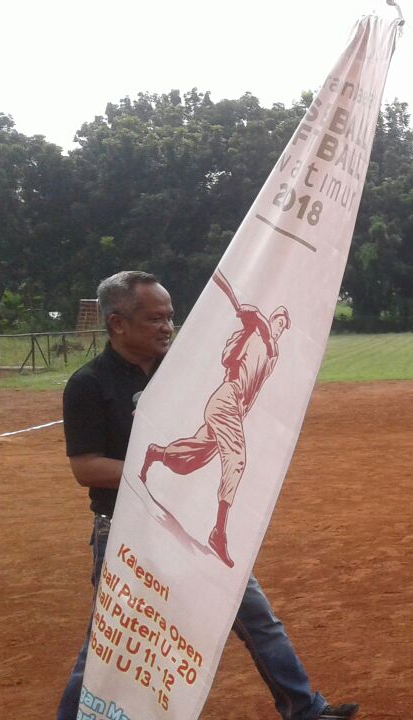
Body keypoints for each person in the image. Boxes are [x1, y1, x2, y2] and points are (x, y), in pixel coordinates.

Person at [59, 271, 357, 720]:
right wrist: (149, 477)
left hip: (190, 517)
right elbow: (86, 468)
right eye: (155, 318)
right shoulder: (89, 384)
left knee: (258, 620)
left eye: (170, 317)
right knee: (110, 638)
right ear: (118, 324)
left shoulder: (182, 370)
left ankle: (305, 709)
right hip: (126, 532)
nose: (167, 327)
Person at [137, 271, 288, 567]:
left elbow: (268, 341)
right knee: (236, 458)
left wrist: (255, 319)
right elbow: (227, 359)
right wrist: (246, 328)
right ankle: (219, 533)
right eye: (278, 320)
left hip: (235, 408)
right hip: (226, 398)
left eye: (284, 324)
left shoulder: (272, 350)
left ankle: (156, 454)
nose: (280, 326)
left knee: (192, 457)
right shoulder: (251, 336)